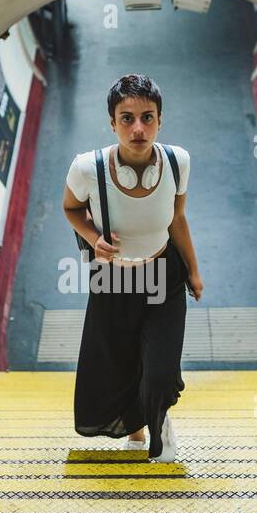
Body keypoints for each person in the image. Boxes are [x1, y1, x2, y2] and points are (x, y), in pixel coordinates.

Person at [61, 73, 203, 461]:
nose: (138, 128)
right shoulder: (87, 168)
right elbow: (71, 208)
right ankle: (136, 428)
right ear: (112, 123)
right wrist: (94, 239)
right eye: (127, 118)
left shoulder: (177, 162)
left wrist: (192, 269)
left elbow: (177, 219)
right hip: (113, 280)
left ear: (160, 120)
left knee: (160, 369)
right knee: (119, 361)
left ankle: (158, 425)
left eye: (147, 117)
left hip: (164, 274)